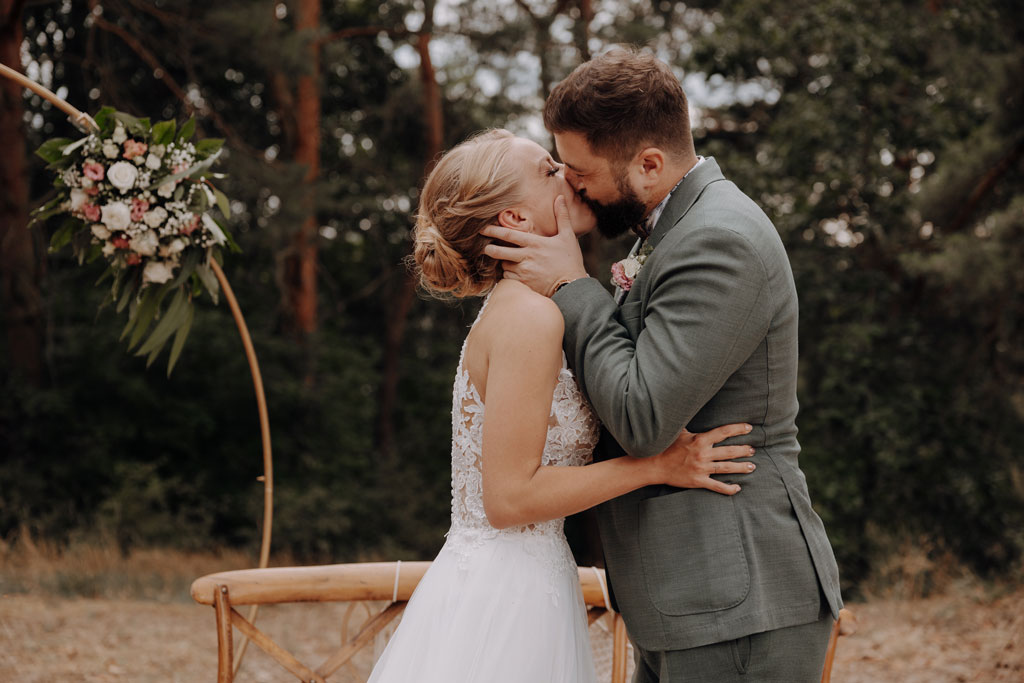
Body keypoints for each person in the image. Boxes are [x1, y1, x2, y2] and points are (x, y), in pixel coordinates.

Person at [482, 49, 845, 682]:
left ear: (649, 163)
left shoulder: (719, 240)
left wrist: (574, 286)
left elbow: (644, 414)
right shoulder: (673, 230)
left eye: (581, 170)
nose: (572, 185)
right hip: (690, 597)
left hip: (737, 599)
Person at [367, 129, 755, 683]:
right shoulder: (530, 317)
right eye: (549, 170)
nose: (569, 176)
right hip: (506, 599)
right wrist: (657, 466)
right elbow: (509, 497)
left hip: (524, 578)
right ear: (516, 220)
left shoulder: (529, 308)